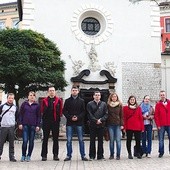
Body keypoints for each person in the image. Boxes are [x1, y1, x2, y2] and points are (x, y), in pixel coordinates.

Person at [63, 86, 88, 161]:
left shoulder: (82, 101)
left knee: (81, 140)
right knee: (69, 140)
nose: (74, 91)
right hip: (70, 123)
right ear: (71, 91)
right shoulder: (67, 101)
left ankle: (83, 155)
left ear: (78, 91)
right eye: (73, 90)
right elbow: (64, 111)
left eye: (76, 90)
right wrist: (70, 117)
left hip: (79, 123)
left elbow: (84, 111)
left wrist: (78, 117)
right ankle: (68, 155)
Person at [41, 86, 63, 161]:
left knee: (55, 139)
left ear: (55, 91)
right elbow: (42, 110)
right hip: (46, 121)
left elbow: (60, 110)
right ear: (48, 92)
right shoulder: (44, 100)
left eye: (53, 90)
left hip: (55, 121)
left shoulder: (58, 100)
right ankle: (44, 155)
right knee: (45, 139)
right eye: (50, 90)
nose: (51, 92)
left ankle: (55, 155)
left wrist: (58, 118)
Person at [18, 91, 41, 162]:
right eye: (30, 95)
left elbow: (39, 116)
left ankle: (29, 155)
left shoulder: (37, 105)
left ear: (35, 97)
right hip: (25, 125)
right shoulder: (24, 104)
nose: (32, 97)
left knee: (31, 141)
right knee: (25, 141)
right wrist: (20, 123)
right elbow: (20, 114)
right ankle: (23, 155)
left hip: (33, 126)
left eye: (33, 95)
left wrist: (38, 125)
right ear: (28, 96)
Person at [86, 91, 108, 160]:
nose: (97, 96)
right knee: (92, 141)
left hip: (101, 125)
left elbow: (106, 114)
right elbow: (89, 114)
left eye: (98, 95)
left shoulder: (104, 104)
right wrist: (96, 120)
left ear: (100, 96)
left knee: (101, 141)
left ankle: (100, 156)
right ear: (93, 96)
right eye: (96, 95)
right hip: (92, 125)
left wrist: (101, 120)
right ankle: (92, 156)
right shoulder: (89, 104)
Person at [0, 93, 18, 162]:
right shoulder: (2, 106)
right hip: (3, 127)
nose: (10, 99)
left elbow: (17, 116)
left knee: (11, 143)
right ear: (7, 98)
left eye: (12, 98)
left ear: (13, 99)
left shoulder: (15, 107)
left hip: (11, 127)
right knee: (1, 143)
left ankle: (12, 157)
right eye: (9, 98)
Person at [106, 92, 123, 160]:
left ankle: (118, 155)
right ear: (111, 98)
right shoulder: (108, 105)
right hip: (110, 124)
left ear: (117, 98)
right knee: (111, 140)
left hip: (117, 124)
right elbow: (106, 115)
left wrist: (122, 124)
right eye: (113, 97)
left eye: (115, 97)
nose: (114, 98)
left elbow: (121, 115)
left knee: (118, 140)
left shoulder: (120, 105)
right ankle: (111, 154)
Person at [154, 90, 170, 158]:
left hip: (169, 123)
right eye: (161, 95)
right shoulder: (158, 104)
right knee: (161, 139)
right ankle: (161, 152)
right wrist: (158, 125)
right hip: (162, 124)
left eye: (163, 95)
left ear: (165, 95)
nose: (162, 96)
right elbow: (156, 116)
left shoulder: (169, 103)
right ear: (160, 96)